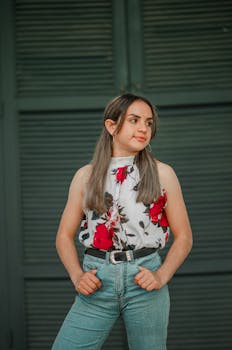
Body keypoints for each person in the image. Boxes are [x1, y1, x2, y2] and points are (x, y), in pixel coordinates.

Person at [52, 93, 193, 350]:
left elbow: (184, 237)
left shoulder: (164, 173)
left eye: (148, 122)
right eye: (134, 120)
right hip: (98, 280)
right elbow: (63, 236)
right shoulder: (85, 176)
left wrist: (161, 276)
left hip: (144, 279)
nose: (143, 128)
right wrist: (77, 276)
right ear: (111, 125)